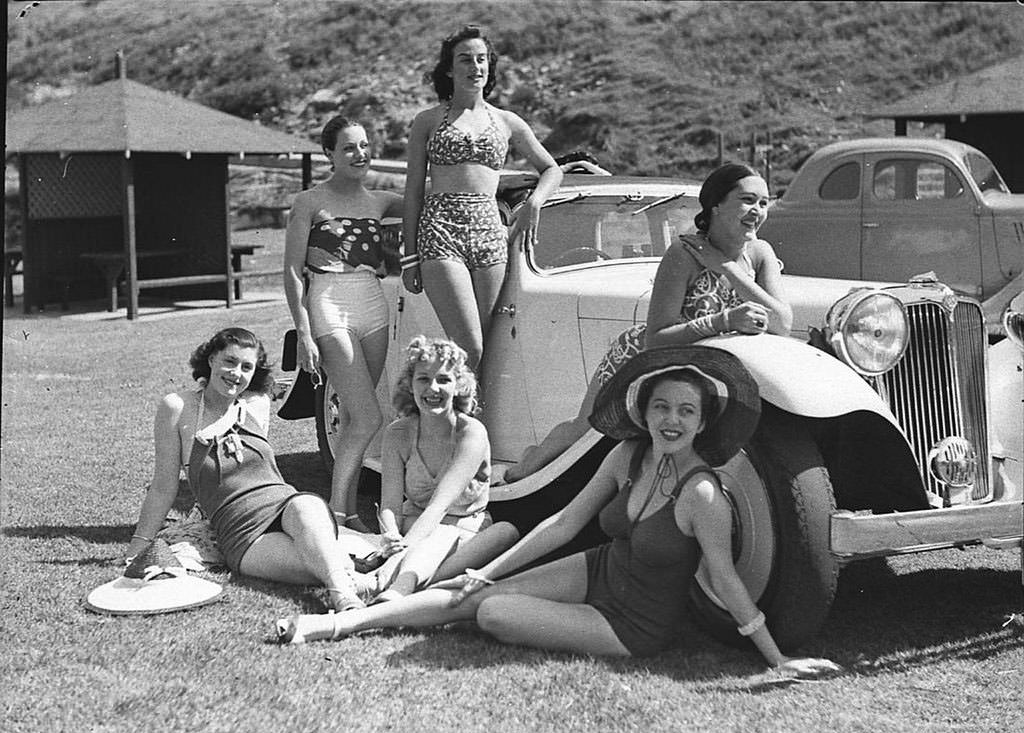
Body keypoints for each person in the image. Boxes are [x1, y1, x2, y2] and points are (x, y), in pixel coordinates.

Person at [275, 346, 842, 680]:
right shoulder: (628, 454)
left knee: (493, 614)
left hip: (633, 623)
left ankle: (398, 610)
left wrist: (776, 658)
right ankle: (337, 623)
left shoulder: (703, 495)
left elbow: (724, 579)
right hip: (597, 569)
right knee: (475, 592)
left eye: (686, 411)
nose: (672, 420)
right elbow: (563, 524)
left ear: (702, 421)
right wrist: (489, 569)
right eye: (661, 406)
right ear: (643, 413)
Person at [502, 162, 790, 483]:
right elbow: (656, 338)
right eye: (748, 200)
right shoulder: (683, 253)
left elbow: (781, 323)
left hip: (709, 367)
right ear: (717, 205)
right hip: (643, 356)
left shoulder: (759, 253)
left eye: (764, 203)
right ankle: (522, 470)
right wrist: (725, 320)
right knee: (585, 428)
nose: (758, 211)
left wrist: (728, 269)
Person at [128, 327, 364, 612]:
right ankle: (364, 583)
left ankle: (344, 597)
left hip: (286, 505)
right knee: (325, 562)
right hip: (241, 532)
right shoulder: (178, 407)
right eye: (229, 361)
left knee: (306, 508)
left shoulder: (256, 405)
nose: (236, 373)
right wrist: (138, 546)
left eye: (246, 367)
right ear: (211, 359)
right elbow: (163, 487)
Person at [401, 25, 562, 372]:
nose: (475, 67)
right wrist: (409, 256)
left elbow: (552, 169)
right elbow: (413, 189)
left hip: (490, 234)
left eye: (482, 59)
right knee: (468, 347)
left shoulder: (507, 121)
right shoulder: (426, 121)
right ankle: (456, 423)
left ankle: (472, 424)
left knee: (488, 350)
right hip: (440, 233)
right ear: (449, 68)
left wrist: (535, 202)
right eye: (465, 60)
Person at [283, 116, 404, 532]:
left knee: (356, 419)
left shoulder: (382, 201)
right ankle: (338, 513)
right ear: (329, 154)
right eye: (349, 147)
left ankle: (348, 513)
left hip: (372, 302)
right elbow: (294, 272)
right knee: (370, 418)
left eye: (365, 145)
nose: (360, 154)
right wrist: (303, 332)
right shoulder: (309, 202)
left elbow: (434, 200)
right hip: (329, 302)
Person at [360, 336, 519, 603]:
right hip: (412, 529)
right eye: (423, 379)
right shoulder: (397, 434)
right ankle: (406, 586)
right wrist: (390, 533)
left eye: (443, 379)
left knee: (481, 533)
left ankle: (391, 582)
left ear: (459, 386)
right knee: (426, 540)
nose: (433, 388)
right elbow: (390, 503)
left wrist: (399, 552)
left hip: (463, 532)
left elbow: (439, 507)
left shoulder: (471, 433)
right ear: (410, 385)